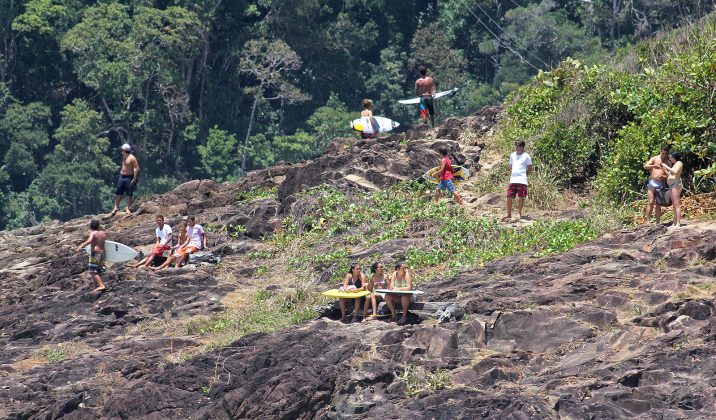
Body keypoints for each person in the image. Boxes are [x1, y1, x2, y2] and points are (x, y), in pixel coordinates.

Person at [76, 220, 107, 292]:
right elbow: (107, 243)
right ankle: (95, 286)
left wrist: (80, 246)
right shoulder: (103, 233)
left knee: (93, 271)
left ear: (90, 226)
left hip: (95, 254)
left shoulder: (93, 233)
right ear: (98, 226)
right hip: (102, 254)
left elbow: (89, 241)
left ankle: (101, 285)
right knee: (98, 270)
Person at [504, 140, 532, 221]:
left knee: (521, 197)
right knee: (509, 196)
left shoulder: (526, 156)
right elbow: (510, 166)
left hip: (522, 180)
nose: (516, 147)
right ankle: (508, 214)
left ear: (522, 147)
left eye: (518, 146)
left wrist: (524, 175)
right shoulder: (512, 155)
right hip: (513, 180)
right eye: (516, 146)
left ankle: (519, 213)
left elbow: (530, 168)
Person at [643, 146, 671, 224]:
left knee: (658, 203)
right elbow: (645, 166)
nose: (664, 155)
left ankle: (657, 222)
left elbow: (670, 176)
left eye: (666, 154)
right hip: (652, 183)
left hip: (661, 183)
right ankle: (647, 221)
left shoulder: (668, 162)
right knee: (651, 201)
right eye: (663, 153)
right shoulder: (654, 158)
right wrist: (654, 166)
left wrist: (663, 177)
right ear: (660, 151)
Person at [112, 143, 139, 215]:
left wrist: (134, 178)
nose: (121, 151)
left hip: (129, 177)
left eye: (122, 150)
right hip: (122, 177)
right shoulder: (124, 156)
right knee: (118, 192)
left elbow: (136, 168)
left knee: (129, 193)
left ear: (124, 150)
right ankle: (116, 207)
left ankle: (127, 207)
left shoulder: (132, 158)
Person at [662, 151, 683, 227]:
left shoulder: (679, 163)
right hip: (671, 185)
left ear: (675, 157)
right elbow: (671, 175)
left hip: (676, 184)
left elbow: (675, 171)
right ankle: (674, 222)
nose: (670, 159)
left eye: (671, 157)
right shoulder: (674, 164)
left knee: (677, 204)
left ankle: (678, 223)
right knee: (674, 204)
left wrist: (666, 166)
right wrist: (665, 170)